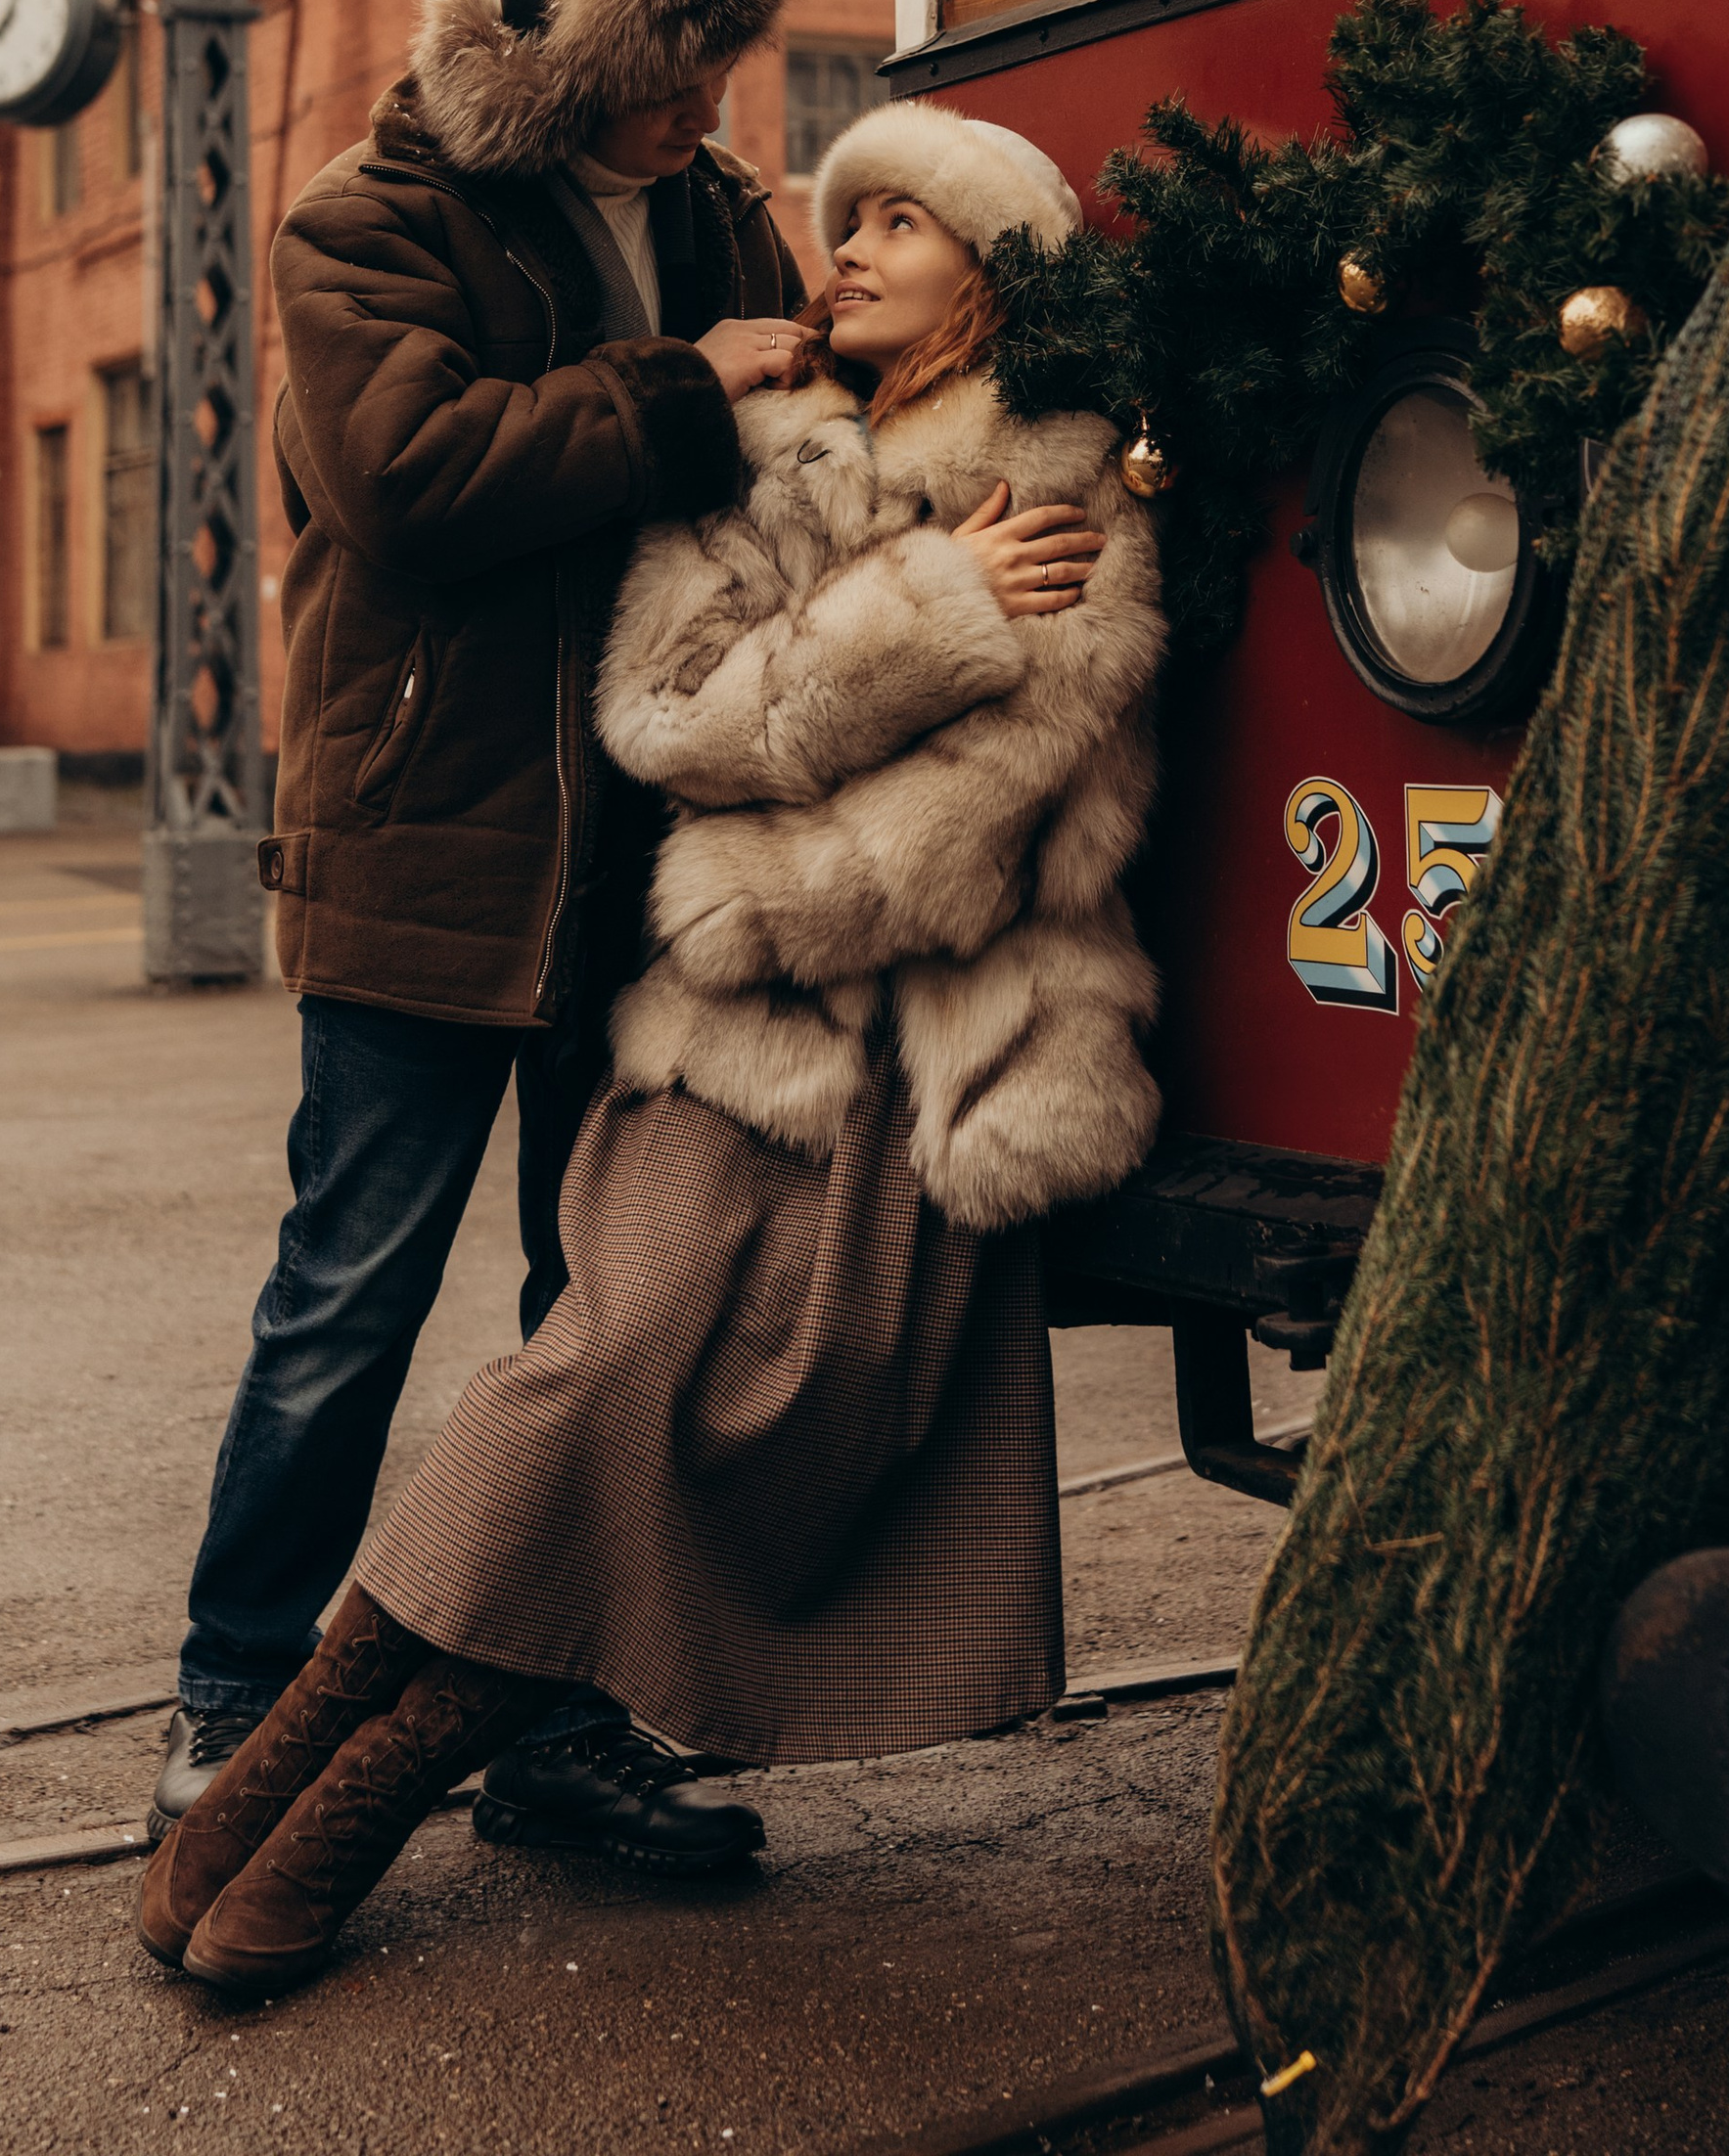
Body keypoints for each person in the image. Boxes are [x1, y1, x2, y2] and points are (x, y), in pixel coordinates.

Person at [137, 99, 1169, 1996]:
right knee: (586, 1377)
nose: (838, 250)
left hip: (911, 1062)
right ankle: (292, 1745)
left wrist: (794, 798)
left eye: (895, 227)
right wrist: (925, 609)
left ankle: (347, 1781)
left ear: (989, 272)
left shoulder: (1064, 472)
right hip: (714, 1029)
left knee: (648, 1408)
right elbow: (665, 718)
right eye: (836, 221)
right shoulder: (754, 444)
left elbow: (1005, 805)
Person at [150, 0, 809, 1864]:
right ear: (569, 52)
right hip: (432, 843)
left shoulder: (721, 218)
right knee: (346, 1294)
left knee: (594, 1312)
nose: (701, 109)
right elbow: (414, 483)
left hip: (656, 865)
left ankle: (549, 1731)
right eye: (665, 67)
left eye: (718, 65)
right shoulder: (369, 220)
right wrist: (695, 393)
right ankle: (232, 1700)